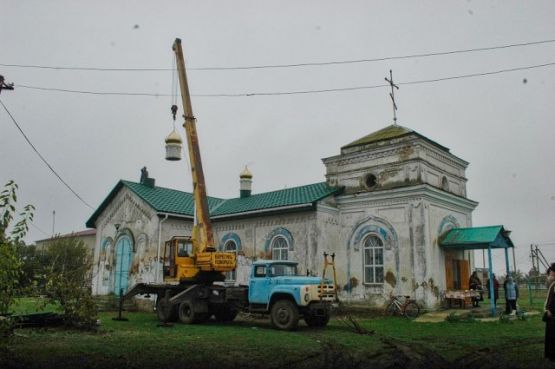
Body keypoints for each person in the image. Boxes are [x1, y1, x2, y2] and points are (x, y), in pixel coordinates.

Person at [544, 263, 555, 361]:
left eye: (551, 271)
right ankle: (550, 355)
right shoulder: (552, 283)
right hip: (551, 312)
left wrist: (549, 310)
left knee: (552, 336)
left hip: (553, 313)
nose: (550, 273)